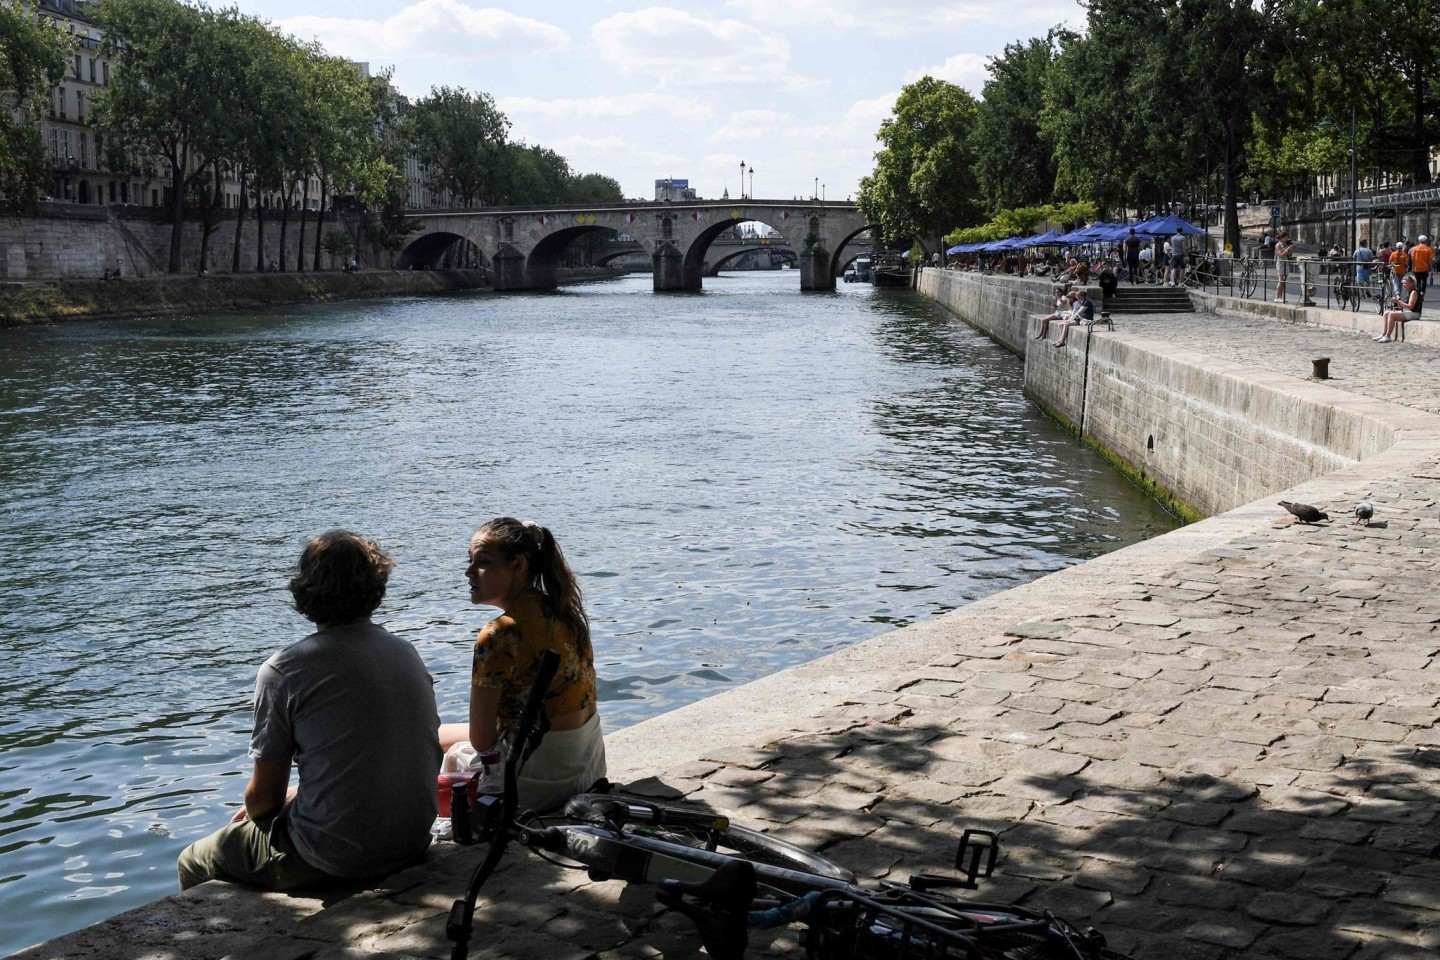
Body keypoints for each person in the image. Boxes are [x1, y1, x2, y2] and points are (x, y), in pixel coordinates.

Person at [177, 532, 442, 891]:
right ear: (376, 587)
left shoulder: (285, 670)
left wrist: (272, 805)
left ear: (305, 591)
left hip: (334, 857)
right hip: (410, 841)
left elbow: (263, 802)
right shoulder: (404, 652)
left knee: (193, 859)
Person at [439, 518, 606, 813]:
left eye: (483, 562)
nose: (468, 572)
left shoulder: (500, 634)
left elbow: (481, 740)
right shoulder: (565, 611)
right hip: (587, 767)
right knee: (440, 732)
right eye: (471, 561)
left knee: (431, 740)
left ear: (517, 565)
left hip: (535, 782)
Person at [1377, 274, 1422, 342]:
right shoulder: (1408, 292)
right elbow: (1403, 305)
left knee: (1391, 315)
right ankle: (1383, 334)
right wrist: (1397, 305)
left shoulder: (1414, 292)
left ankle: (1388, 336)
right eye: (1403, 283)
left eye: (1406, 283)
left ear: (1412, 284)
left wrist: (1398, 301)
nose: (1404, 285)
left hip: (1415, 313)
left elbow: (1410, 307)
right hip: (1409, 312)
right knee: (1386, 313)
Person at [1273, 232, 1294, 301]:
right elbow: (1281, 255)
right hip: (1281, 264)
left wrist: (1290, 250)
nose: (1286, 239)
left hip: (1286, 263)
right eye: (1285, 237)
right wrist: (1288, 249)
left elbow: (1289, 255)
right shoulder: (1278, 245)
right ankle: (1277, 297)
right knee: (1281, 281)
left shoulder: (1285, 245)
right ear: (1281, 238)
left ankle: (1280, 297)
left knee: (1283, 281)